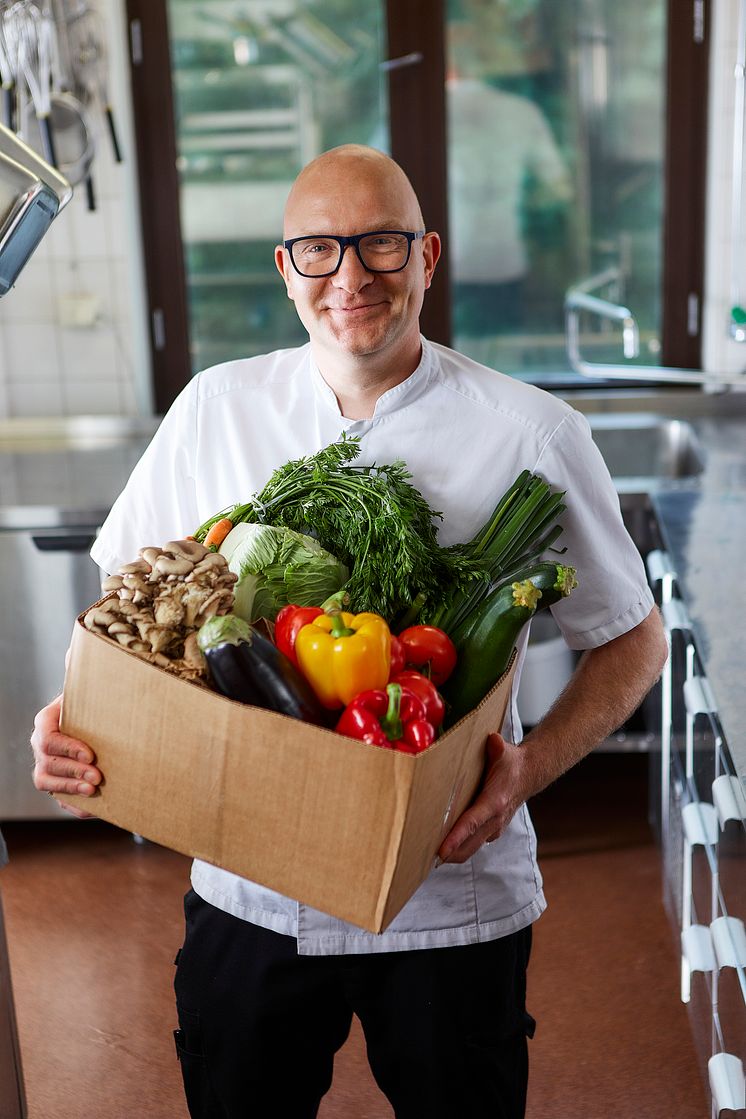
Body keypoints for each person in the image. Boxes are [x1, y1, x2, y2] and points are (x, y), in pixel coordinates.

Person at [30, 144, 668, 1119]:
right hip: (247, 889)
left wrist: (524, 772)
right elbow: (129, 624)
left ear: (428, 257)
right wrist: (76, 726)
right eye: (320, 250)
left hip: (449, 898)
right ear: (285, 269)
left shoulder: (529, 435)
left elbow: (632, 639)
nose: (351, 278)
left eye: (379, 245)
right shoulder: (215, 410)